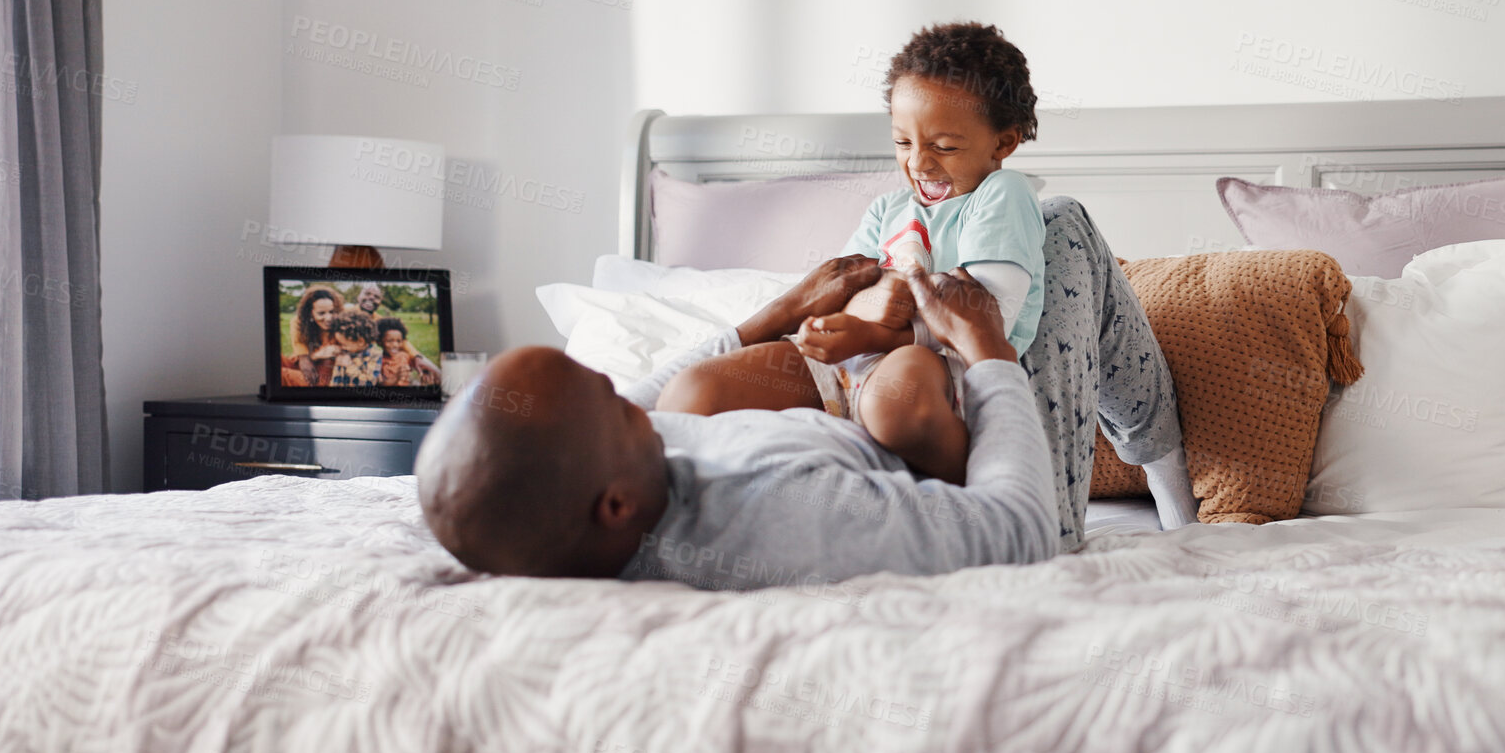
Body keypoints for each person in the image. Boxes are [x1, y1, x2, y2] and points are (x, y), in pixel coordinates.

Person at [416, 260, 1059, 586]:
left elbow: (646, 396)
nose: (626, 398)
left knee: (684, 391)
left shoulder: (601, 471)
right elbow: (1019, 531)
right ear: (614, 504)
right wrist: (987, 352)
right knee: (1058, 227)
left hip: (834, 399)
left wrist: (778, 313)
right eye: (613, 405)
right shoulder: (781, 514)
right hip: (936, 431)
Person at [656, 22, 1046, 485]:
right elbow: (843, 292)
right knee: (691, 393)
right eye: (903, 143)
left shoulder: (1001, 194)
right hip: (846, 364)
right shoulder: (890, 208)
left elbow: (983, 320)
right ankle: (855, 457)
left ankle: (981, 492)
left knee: (895, 406)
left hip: (938, 371)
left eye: (944, 146)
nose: (918, 163)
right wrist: (848, 322)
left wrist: (875, 331)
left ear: (1003, 141)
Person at [281, 285, 342, 387]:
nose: (328, 318)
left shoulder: (341, 324)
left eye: (332, 312)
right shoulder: (303, 323)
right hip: (303, 366)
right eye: (321, 313)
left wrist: (313, 357)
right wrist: (305, 357)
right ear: (310, 314)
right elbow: (297, 322)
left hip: (321, 376)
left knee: (279, 374)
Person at [326, 307, 384, 387]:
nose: (341, 347)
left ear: (360, 341)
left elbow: (369, 383)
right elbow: (336, 378)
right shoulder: (345, 352)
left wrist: (349, 365)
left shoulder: (375, 354)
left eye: (344, 344)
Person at [376, 317, 442, 386]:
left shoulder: (404, 356)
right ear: (379, 342)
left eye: (399, 341)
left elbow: (420, 368)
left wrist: (425, 372)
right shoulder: (377, 360)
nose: (395, 345)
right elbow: (380, 385)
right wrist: (396, 378)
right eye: (390, 341)